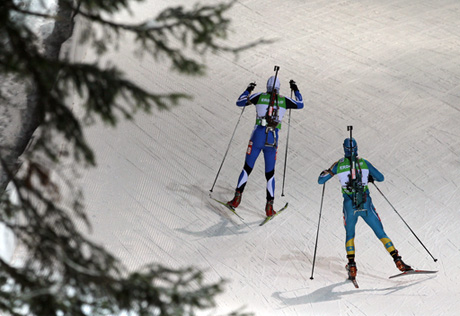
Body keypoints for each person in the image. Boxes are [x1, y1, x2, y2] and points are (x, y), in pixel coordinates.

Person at [317, 137, 412, 278]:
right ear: (356, 148)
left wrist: (328, 172)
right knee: (381, 234)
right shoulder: (364, 162)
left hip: (349, 205)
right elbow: (381, 178)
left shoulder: (338, 164)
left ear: (344, 148)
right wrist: (369, 178)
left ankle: (352, 266)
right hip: (366, 203)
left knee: (350, 235)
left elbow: (321, 181)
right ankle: (397, 260)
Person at [227, 75, 304, 217]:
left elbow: (239, 102)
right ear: (279, 88)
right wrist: (295, 88)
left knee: (247, 168)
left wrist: (248, 89)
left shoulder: (259, 96)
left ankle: (236, 200)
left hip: (258, 136)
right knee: (270, 174)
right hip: (272, 138)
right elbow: (300, 103)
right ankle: (269, 207)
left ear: (267, 87)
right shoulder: (284, 100)